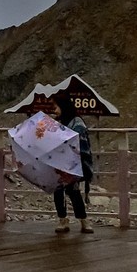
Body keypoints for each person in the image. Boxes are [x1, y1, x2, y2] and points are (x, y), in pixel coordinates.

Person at [53, 96, 94, 234]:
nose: (55, 110)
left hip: (72, 164)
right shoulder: (60, 123)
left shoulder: (77, 124)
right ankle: (62, 219)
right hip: (60, 163)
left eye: (57, 107)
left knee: (74, 191)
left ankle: (83, 220)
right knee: (58, 191)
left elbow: (79, 145)